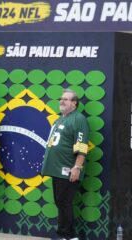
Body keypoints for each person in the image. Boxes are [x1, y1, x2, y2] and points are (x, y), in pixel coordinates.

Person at [41, 89, 89, 240]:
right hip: (56, 170)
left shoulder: (79, 119)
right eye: (61, 98)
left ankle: (68, 236)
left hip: (67, 168)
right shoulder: (59, 119)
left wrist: (77, 167)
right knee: (60, 202)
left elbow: (81, 146)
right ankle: (64, 235)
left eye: (66, 99)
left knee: (64, 202)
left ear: (74, 103)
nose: (61, 101)